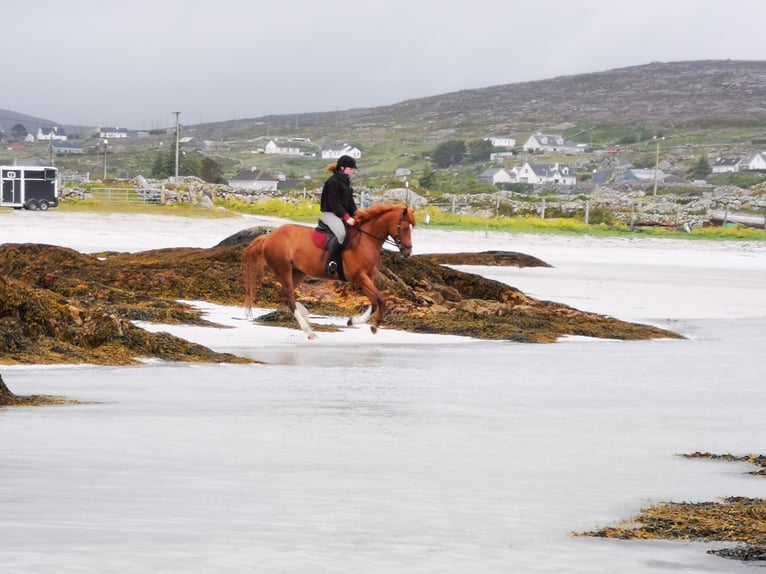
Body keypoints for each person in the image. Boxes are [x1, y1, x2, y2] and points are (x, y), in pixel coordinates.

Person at [319, 155, 358, 274]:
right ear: (342, 168)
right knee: (341, 234)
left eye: (352, 169)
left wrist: (357, 215)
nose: (352, 171)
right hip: (330, 214)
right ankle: (331, 262)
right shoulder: (333, 182)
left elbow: (350, 203)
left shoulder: (345, 182)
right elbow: (335, 204)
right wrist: (347, 217)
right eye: (350, 168)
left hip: (340, 215)